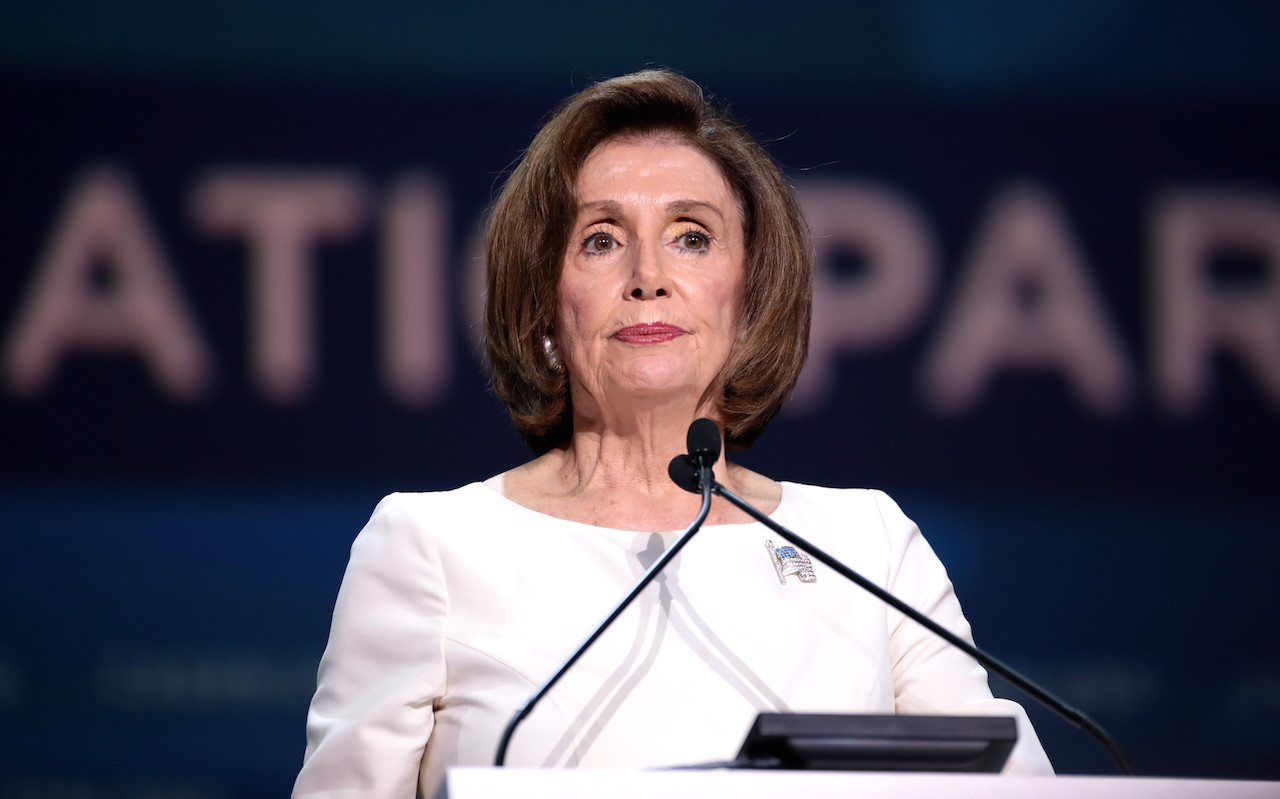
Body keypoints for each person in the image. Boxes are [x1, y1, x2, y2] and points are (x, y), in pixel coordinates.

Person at [292, 69, 1054, 798]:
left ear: (749, 296)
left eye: (691, 236)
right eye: (600, 239)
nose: (648, 274)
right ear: (546, 305)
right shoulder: (433, 547)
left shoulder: (868, 546)